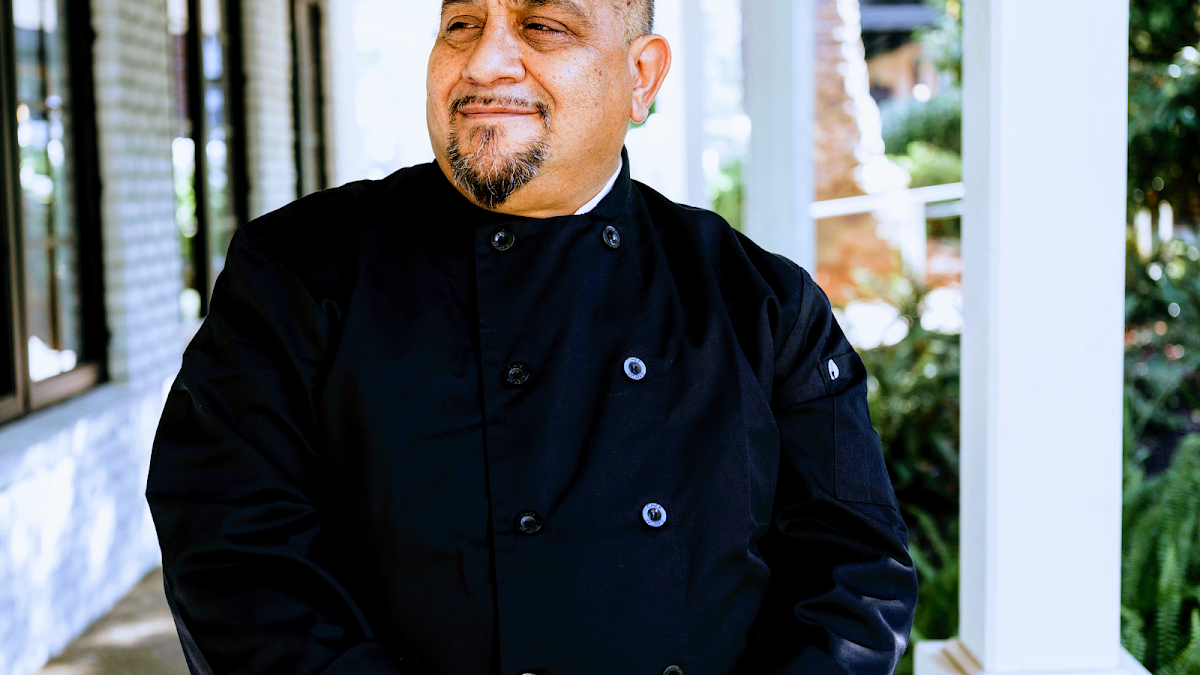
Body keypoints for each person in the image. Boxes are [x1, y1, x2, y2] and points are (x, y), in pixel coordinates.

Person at [146, 0, 918, 673]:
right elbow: (230, 553)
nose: (484, 62)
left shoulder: (763, 304)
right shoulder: (298, 274)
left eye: (542, 25)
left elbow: (855, 574)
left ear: (642, 76)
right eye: (462, 23)